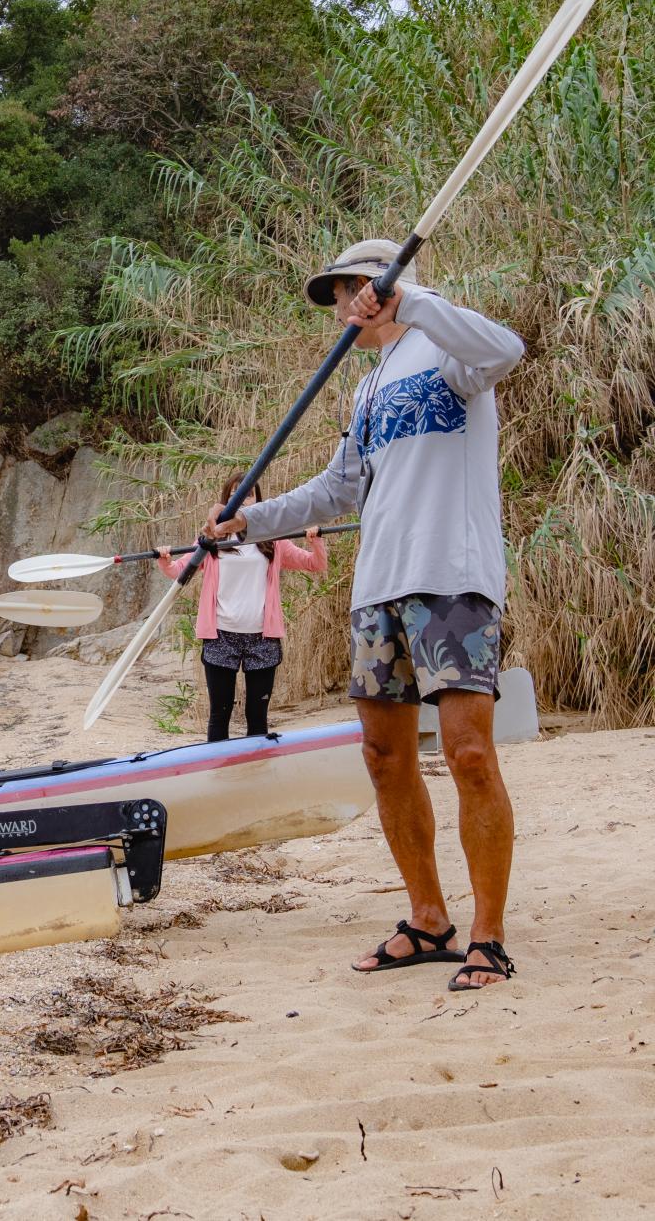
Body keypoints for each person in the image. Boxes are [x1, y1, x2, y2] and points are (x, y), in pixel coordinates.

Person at [204, 238, 524, 991]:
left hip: (452, 577)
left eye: (353, 288)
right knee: (385, 759)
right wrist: (249, 521)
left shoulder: (446, 348)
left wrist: (412, 303)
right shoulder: (369, 387)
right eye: (340, 294)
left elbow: (506, 348)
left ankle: (489, 935)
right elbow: (338, 489)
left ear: (387, 285)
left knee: (470, 754)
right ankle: (428, 919)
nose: (345, 305)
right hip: (378, 587)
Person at [157, 474, 325, 743]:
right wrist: (165, 559)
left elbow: (313, 564)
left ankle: (254, 774)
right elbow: (180, 570)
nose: (243, 498)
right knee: (219, 714)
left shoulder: (273, 538)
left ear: (257, 498)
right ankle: (219, 775)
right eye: (236, 493)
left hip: (262, 638)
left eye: (248, 493)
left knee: (257, 715)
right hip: (221, 635)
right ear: (227, 500)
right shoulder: (211, 538)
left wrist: (315, 540)